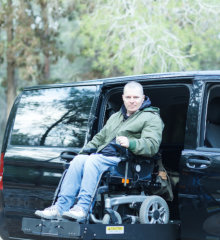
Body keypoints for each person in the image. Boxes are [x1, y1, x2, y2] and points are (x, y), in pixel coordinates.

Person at [35, 81, 164, 221]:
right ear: (123, 98)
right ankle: (60, 207)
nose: (132, 101)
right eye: (128, 97)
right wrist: (83, 152)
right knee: (78, 160)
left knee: (93, 160)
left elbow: (152, 145)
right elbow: (100, 138)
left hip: (124, 160)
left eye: (136, 97)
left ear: (143, 98)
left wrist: (131, 143)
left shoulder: (151, 117)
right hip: (103, 156)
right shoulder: (116, 117)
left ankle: (82, 208)